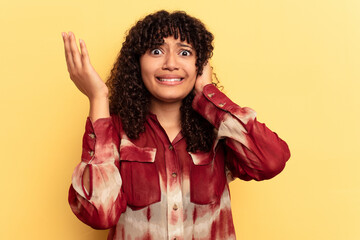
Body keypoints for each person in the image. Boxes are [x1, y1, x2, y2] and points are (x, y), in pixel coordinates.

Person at [62, 10, 290, 240]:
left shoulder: (220, 130)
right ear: (137, 63)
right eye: (156, 51)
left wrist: (208, 94)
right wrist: (98, 98)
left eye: (184, 52)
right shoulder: (114, 132)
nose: (171, 64)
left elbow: (270, 161)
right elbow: (99, 214)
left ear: (200, 65)